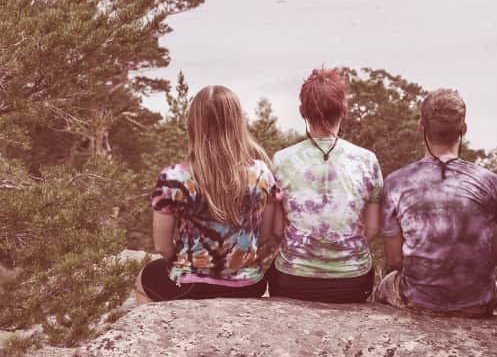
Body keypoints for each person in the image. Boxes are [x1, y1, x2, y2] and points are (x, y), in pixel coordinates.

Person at [135, 85, 279, 304]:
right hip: (249, 286)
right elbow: (265, 235)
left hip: (190, 283)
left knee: (143, 280)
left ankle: (158, 335)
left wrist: (188, 263)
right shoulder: (261, 172)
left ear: (194, 124)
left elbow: (163, 247)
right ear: (237, 123)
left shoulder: (173, 178)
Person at [376, 88, 497, 317]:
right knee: (495, 286)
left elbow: (395, 259)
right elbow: (493, 257)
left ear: (420, 127)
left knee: (386, 283)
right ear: (463, 129)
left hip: (418, 299)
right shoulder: (491, 182)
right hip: (478, 301)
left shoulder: (396, 182)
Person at [269, 67, 382, 303]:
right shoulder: (367, 160)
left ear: (303, 112)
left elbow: (277, 231)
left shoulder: (281, 160)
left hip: (293, 280)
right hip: (353, 281)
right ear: (343, 111)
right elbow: (372, 230)